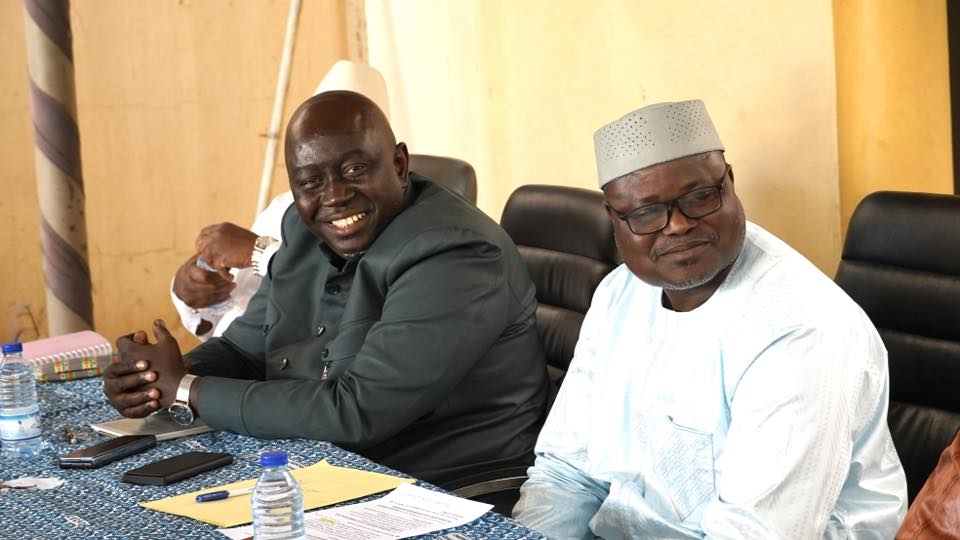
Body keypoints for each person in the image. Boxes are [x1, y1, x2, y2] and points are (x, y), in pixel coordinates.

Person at [104, 91, 549, 485]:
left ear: (399, 165)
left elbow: (357, 411)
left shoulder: (454, 253)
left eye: (354, 169)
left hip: (440, 481)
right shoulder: (304, 229)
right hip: (331, 464)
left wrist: (185, 388)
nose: (334, 196)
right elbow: (246, 350)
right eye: (311, 181)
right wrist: (154, 378)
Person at [512, 100, 907, 538]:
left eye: (699, 197)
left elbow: (756, 532)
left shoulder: (801, 329)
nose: (678, 225)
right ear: (614, 220)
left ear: (729, 183)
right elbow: (568, 474)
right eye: (645, 212)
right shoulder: (618, 295)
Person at [172, 60, 390, 340]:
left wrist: (259, 252)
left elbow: (345, 300)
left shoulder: (390, 215)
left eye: (353, 167)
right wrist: (194, 294)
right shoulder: (283, 207)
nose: (335, 194)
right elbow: (236, 308)